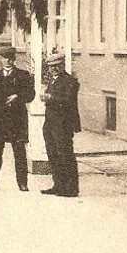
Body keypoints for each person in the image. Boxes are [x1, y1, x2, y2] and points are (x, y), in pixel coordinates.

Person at [0, 41, 35, 192]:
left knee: (20, 153)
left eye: (11, 58)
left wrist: (18, 96)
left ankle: (23, 183)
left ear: (14, 59)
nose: (8, 61)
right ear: (0, 59)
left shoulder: (23, 75)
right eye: (5, 58)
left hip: (17, 121)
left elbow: (31, 95)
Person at [40, 50, 81, 197]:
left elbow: (68, 101)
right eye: (52, 66)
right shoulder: (52, 80)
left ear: (63, 65)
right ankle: (58, 185)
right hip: (50, 123)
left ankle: (70, 188)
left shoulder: (70, 81)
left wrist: (50, 98)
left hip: (64, 124)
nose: (54, 69)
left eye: (57, 65)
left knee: (65, 154)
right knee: (53, 154)